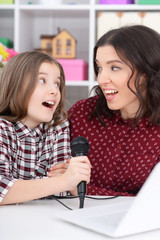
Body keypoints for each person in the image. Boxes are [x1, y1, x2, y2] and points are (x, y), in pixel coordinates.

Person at [59, 25, 160, 196]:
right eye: (99, 68)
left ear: (147, 73)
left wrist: (85, 190)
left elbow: (151, 203)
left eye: (114, 68)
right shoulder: (82, 114)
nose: (101, 79)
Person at [0, 50, 91, 205]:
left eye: (57, 83)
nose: (54, 90)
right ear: (15, 86)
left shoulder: (58, 127)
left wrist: (74, 181)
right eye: (42, 80)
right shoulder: (3, 129)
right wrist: (64, 181)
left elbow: (62, 191)